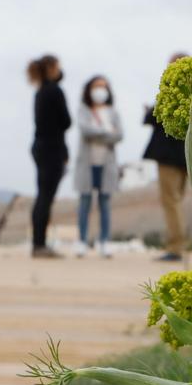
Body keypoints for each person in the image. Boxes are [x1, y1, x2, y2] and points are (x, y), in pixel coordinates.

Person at [141, 52, 190, 261]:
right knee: (176, 200)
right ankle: (178, 245)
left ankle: (175, 247)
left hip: (169, 156)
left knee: (171, 202)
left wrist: (149, 111)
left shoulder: (171, 89)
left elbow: (154, 117)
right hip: (187, 156)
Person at [73, 75, 124, 258]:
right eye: (97, 86)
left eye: (104, 86)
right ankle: (82, 241)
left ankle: (104, 242)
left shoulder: (113, 112)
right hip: (87, 165)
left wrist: (98, 134)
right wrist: (106, 132)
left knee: (105, 204)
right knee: (84, 203)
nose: (100, 90)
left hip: (106, 165)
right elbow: (85, 131)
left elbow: (119, 135)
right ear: (89, 89)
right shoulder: (84, 110)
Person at [27, 55, 70, 258]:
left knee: (41, 196)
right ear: (52, 68)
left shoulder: (40, 92)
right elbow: (66, 121)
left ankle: (38, 243)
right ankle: (39, 244)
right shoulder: (54, 91)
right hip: (52, 150)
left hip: (40, 148)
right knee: (45, 197)